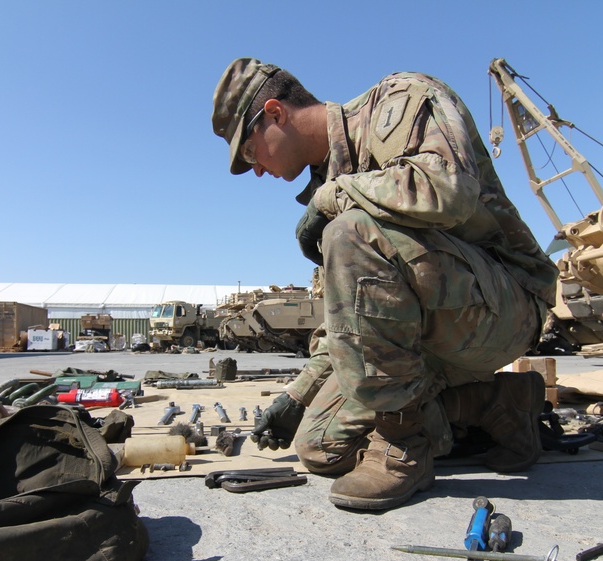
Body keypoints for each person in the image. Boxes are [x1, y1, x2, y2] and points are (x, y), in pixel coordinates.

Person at [211, 58, 559, 510]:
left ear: (275, 113)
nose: (256, 169)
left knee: (349, 232)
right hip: (432, 331)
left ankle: (404, 444)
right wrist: (297, 395)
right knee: (319, 446)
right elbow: (351, 319)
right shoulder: (336, 177)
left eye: (250, 152)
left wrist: (331, 197)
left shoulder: (398, 100)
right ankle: (492, 403)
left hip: (505, 307)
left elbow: (447, 188)